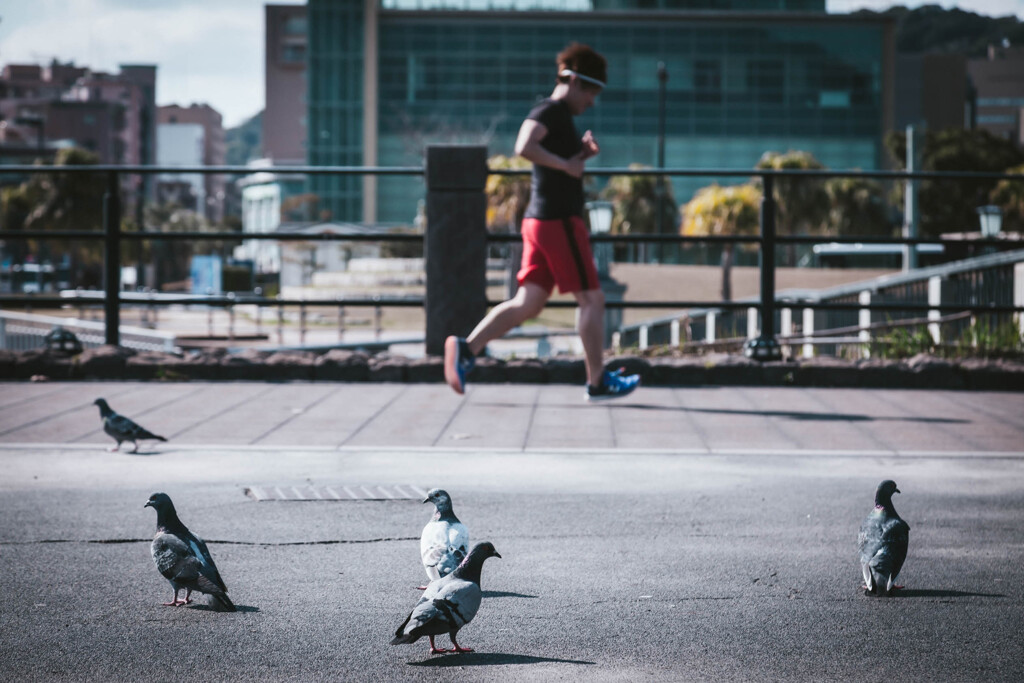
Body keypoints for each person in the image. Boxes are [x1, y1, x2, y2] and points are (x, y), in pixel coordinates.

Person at [444, 42, 640, 402]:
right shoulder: (551, 110)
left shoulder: (559, 117)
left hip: (540, 220)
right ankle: (598, 383)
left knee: (529, 303)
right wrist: (568, 164)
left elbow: (554, 163)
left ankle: (466, 349)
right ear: (576, 81)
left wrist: (578, 156)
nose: (593, 102)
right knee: (593, 300)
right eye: (592, 92)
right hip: (558, 221)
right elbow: (524, 146)